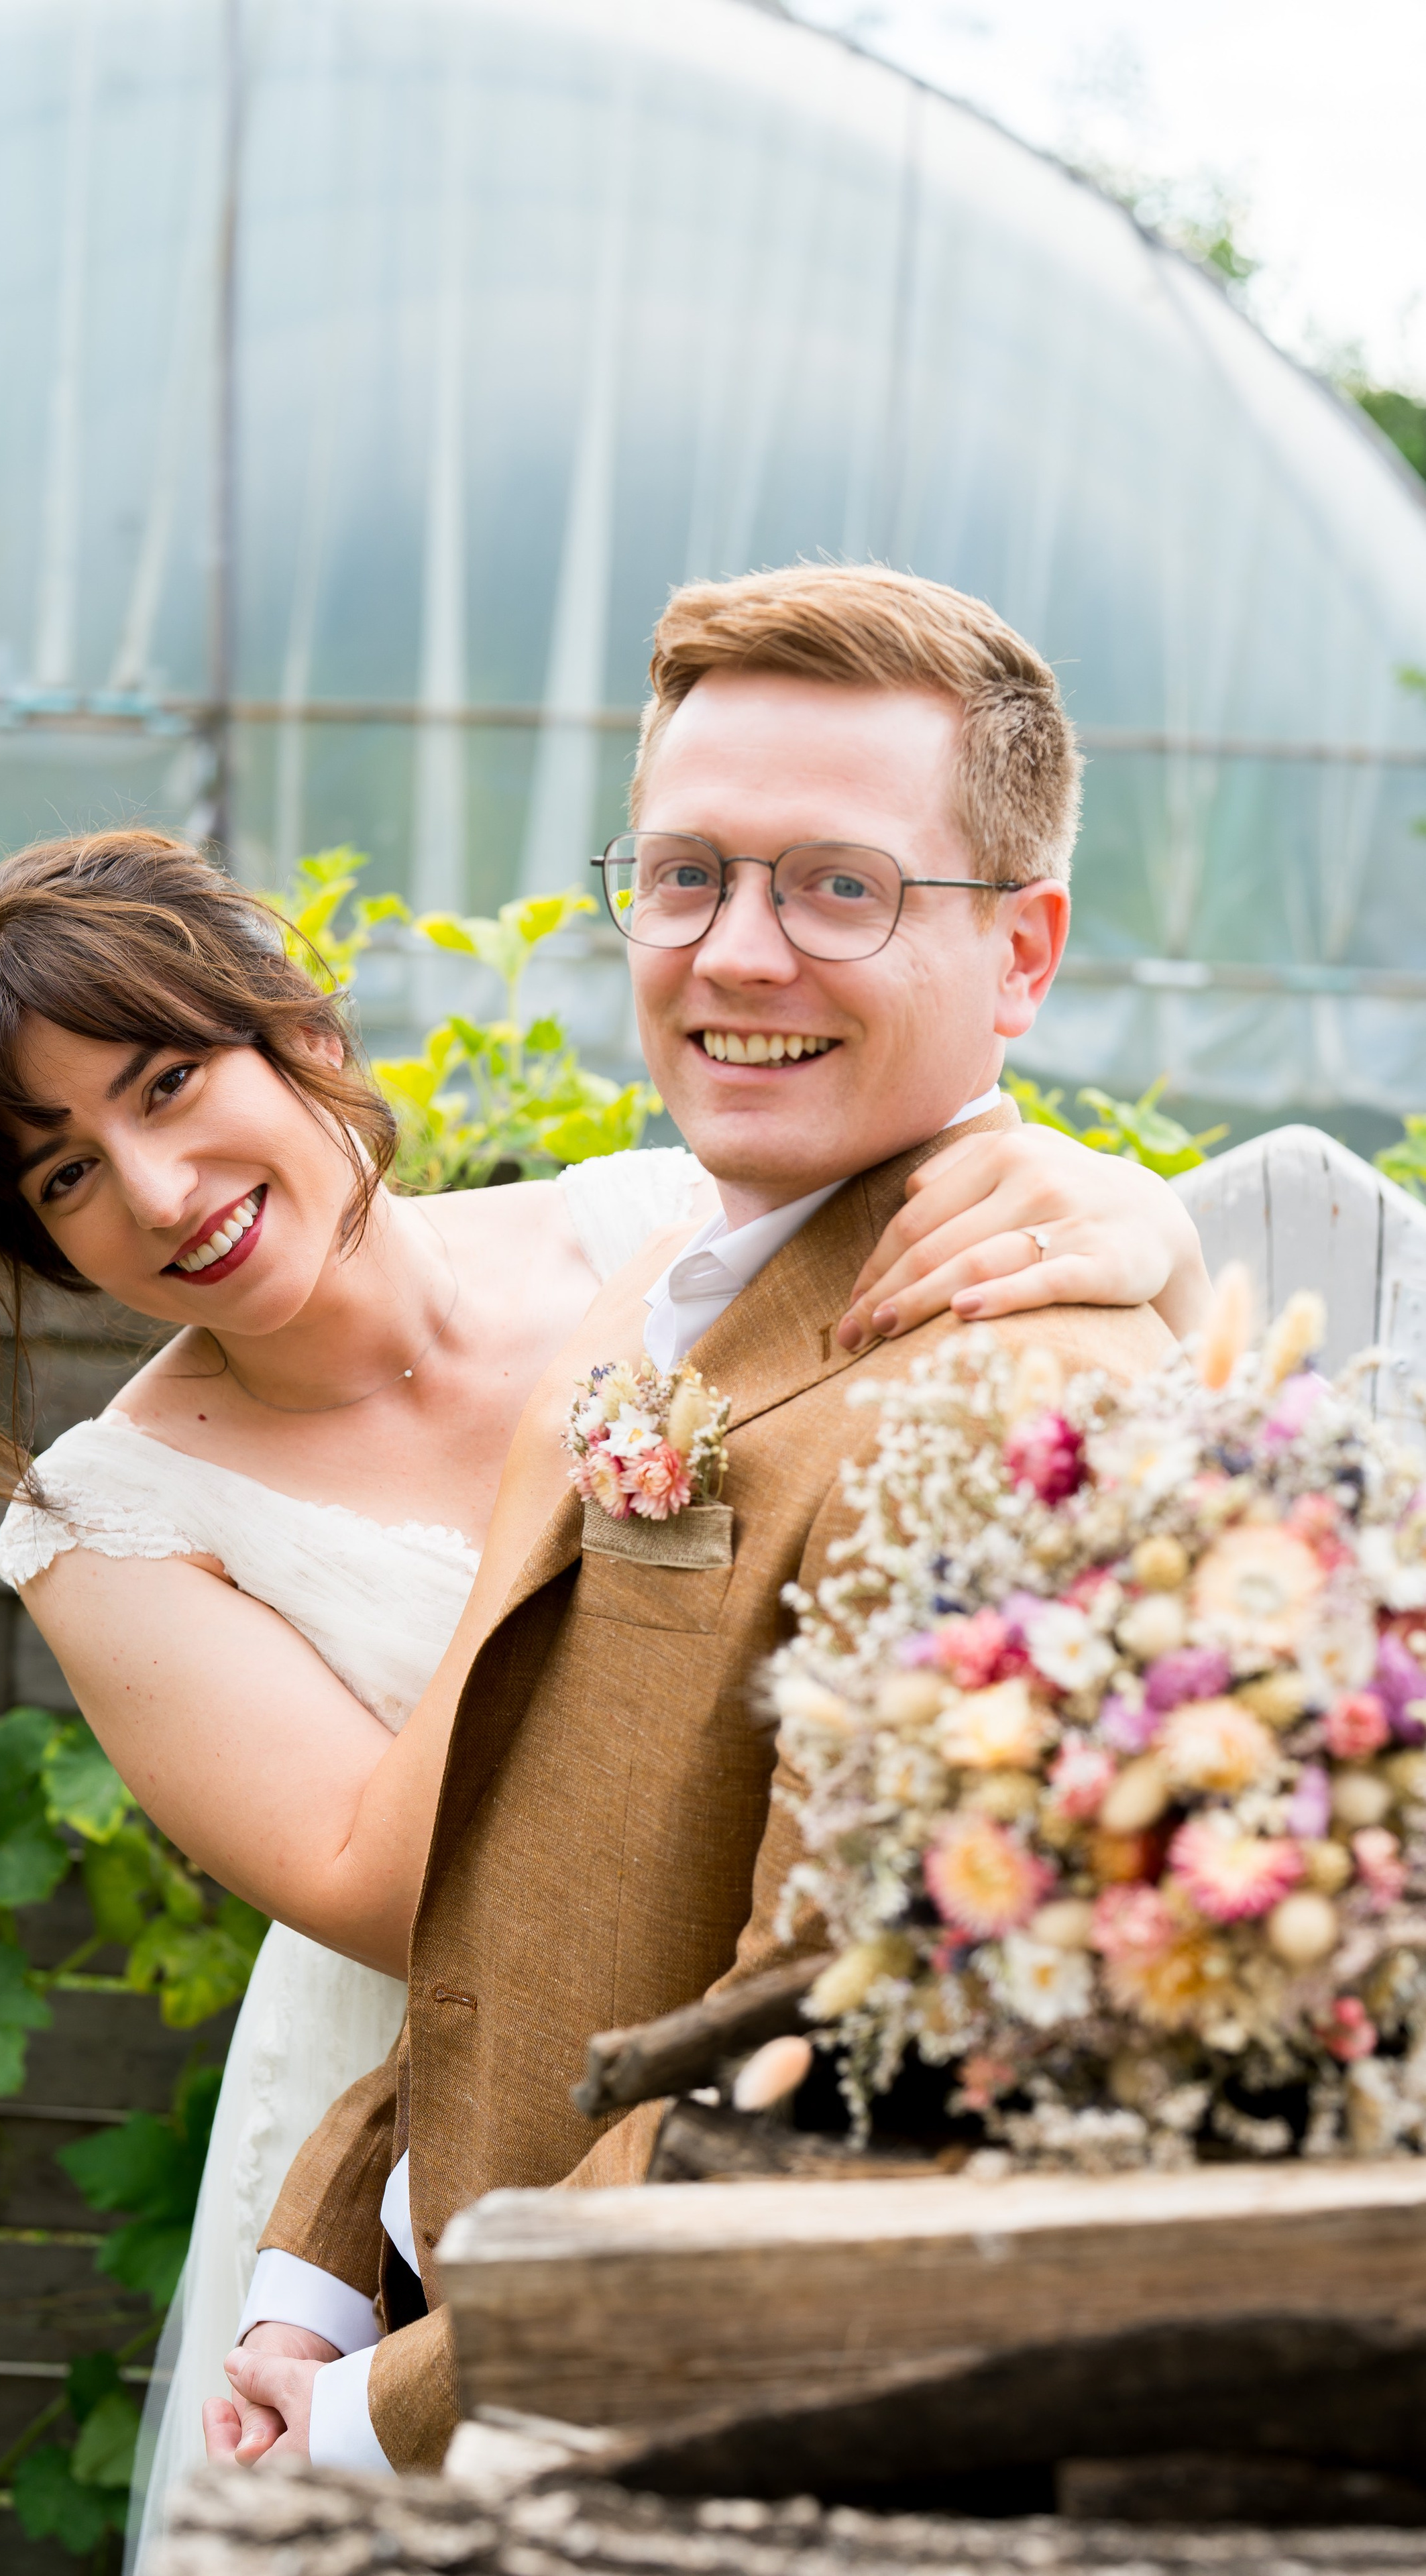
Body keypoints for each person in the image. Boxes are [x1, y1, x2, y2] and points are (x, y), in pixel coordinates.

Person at [0, 793, 1203, 2538]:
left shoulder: (653, 1225)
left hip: (798, 1989)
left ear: (296, 1033)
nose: (155, 1190)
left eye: (167, 1085)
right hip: (431, 2136)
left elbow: (1015, 1357)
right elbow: (378, 1884)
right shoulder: (107, 1522)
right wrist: (538, 1501)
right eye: (64, 1175)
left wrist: (1146, 1235)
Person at [215, 562, 1189, 2478]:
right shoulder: (684, 1279)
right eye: (685, 873)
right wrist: (323, 2273)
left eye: (841, 886)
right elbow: (531, 1881)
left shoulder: (1008, 1404)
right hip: (462, 2313)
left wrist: (363, 2415)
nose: (735, 953)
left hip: (647, 2420)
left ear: (1024, 952)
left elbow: (814, 2079)